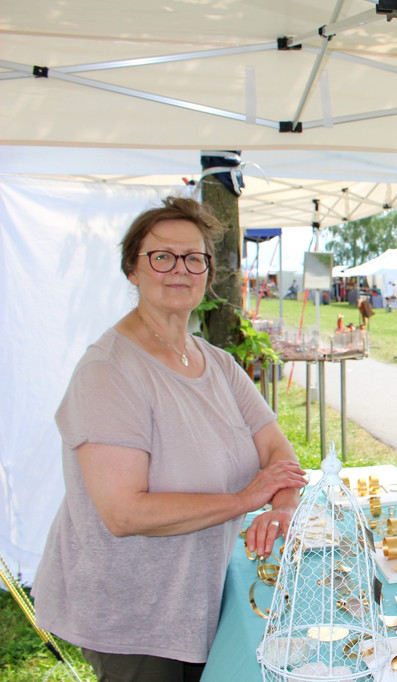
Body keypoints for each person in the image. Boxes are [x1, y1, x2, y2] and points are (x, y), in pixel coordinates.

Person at [32, 197, 308, 682]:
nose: (179, 269)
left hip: (198, 596)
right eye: (162, 256)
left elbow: (275, 450)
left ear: (208, 271)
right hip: (132, 612)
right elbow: (124, 512)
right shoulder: (109, 372)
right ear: (132, 270)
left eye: (194, 258)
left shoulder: (216, 362)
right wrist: (244, 499)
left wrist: (282, 505)